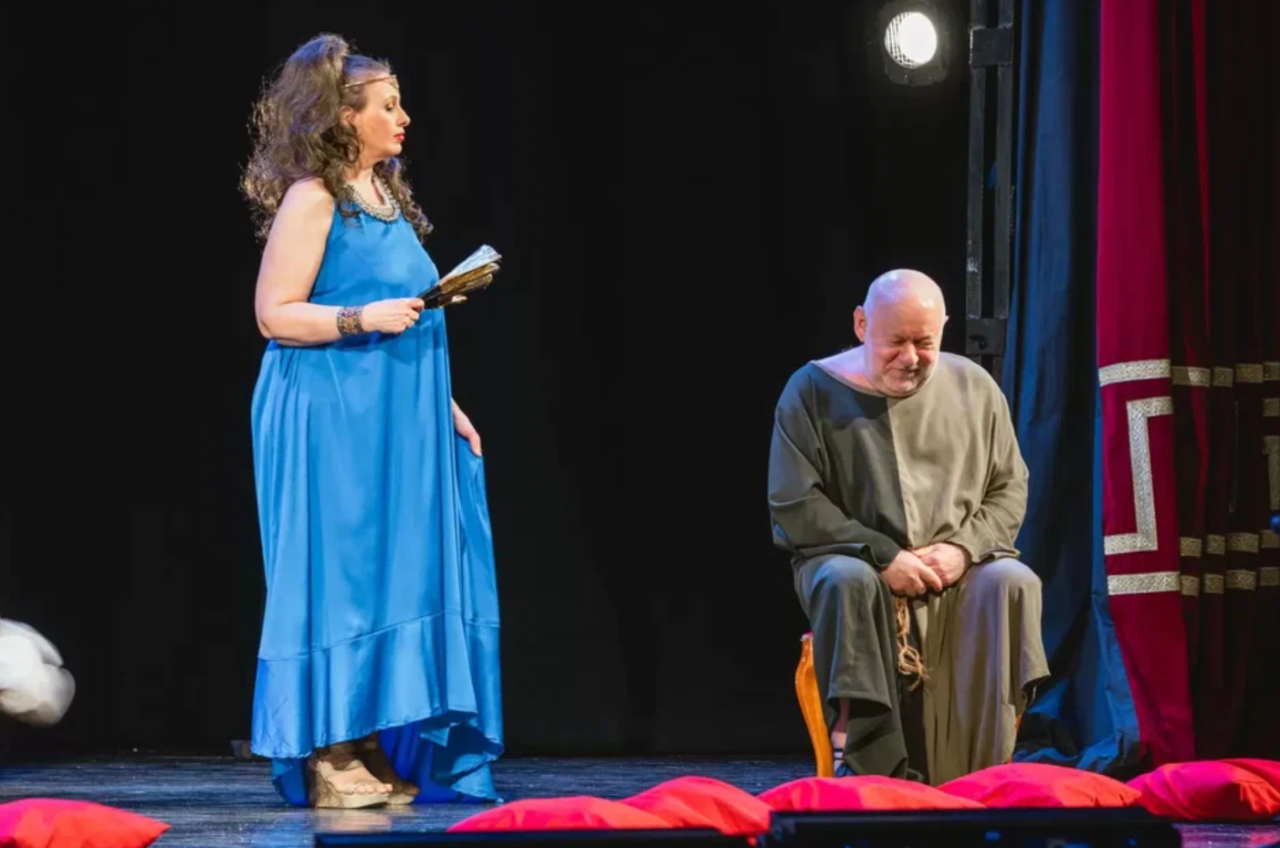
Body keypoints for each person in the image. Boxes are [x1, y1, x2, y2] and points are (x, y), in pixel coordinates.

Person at [242, 34, 502, 809]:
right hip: (327, 413)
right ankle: (327, 747)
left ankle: (365, 737)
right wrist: (361, 318)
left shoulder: (385, 199)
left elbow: (407, 315)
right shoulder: (313, 198)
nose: (404, 117)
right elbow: (274, 314)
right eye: (389, 105)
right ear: (345, 117)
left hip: (394, 414)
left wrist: (442, 404)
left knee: (390, 572)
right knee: (340, 573)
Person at [768, 269, 1048, 785]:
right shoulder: (812, 390)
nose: (911, 357)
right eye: (895, 342)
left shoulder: (976, 388)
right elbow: (795, 503)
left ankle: (986, 765)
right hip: (853, 560)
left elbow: (1009, 488)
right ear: (861, 325)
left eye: (924, 342)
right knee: (845, 581)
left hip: (953, 569)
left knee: (1012, 581)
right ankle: (859, 763)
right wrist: (883, 555)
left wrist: (963, 550)